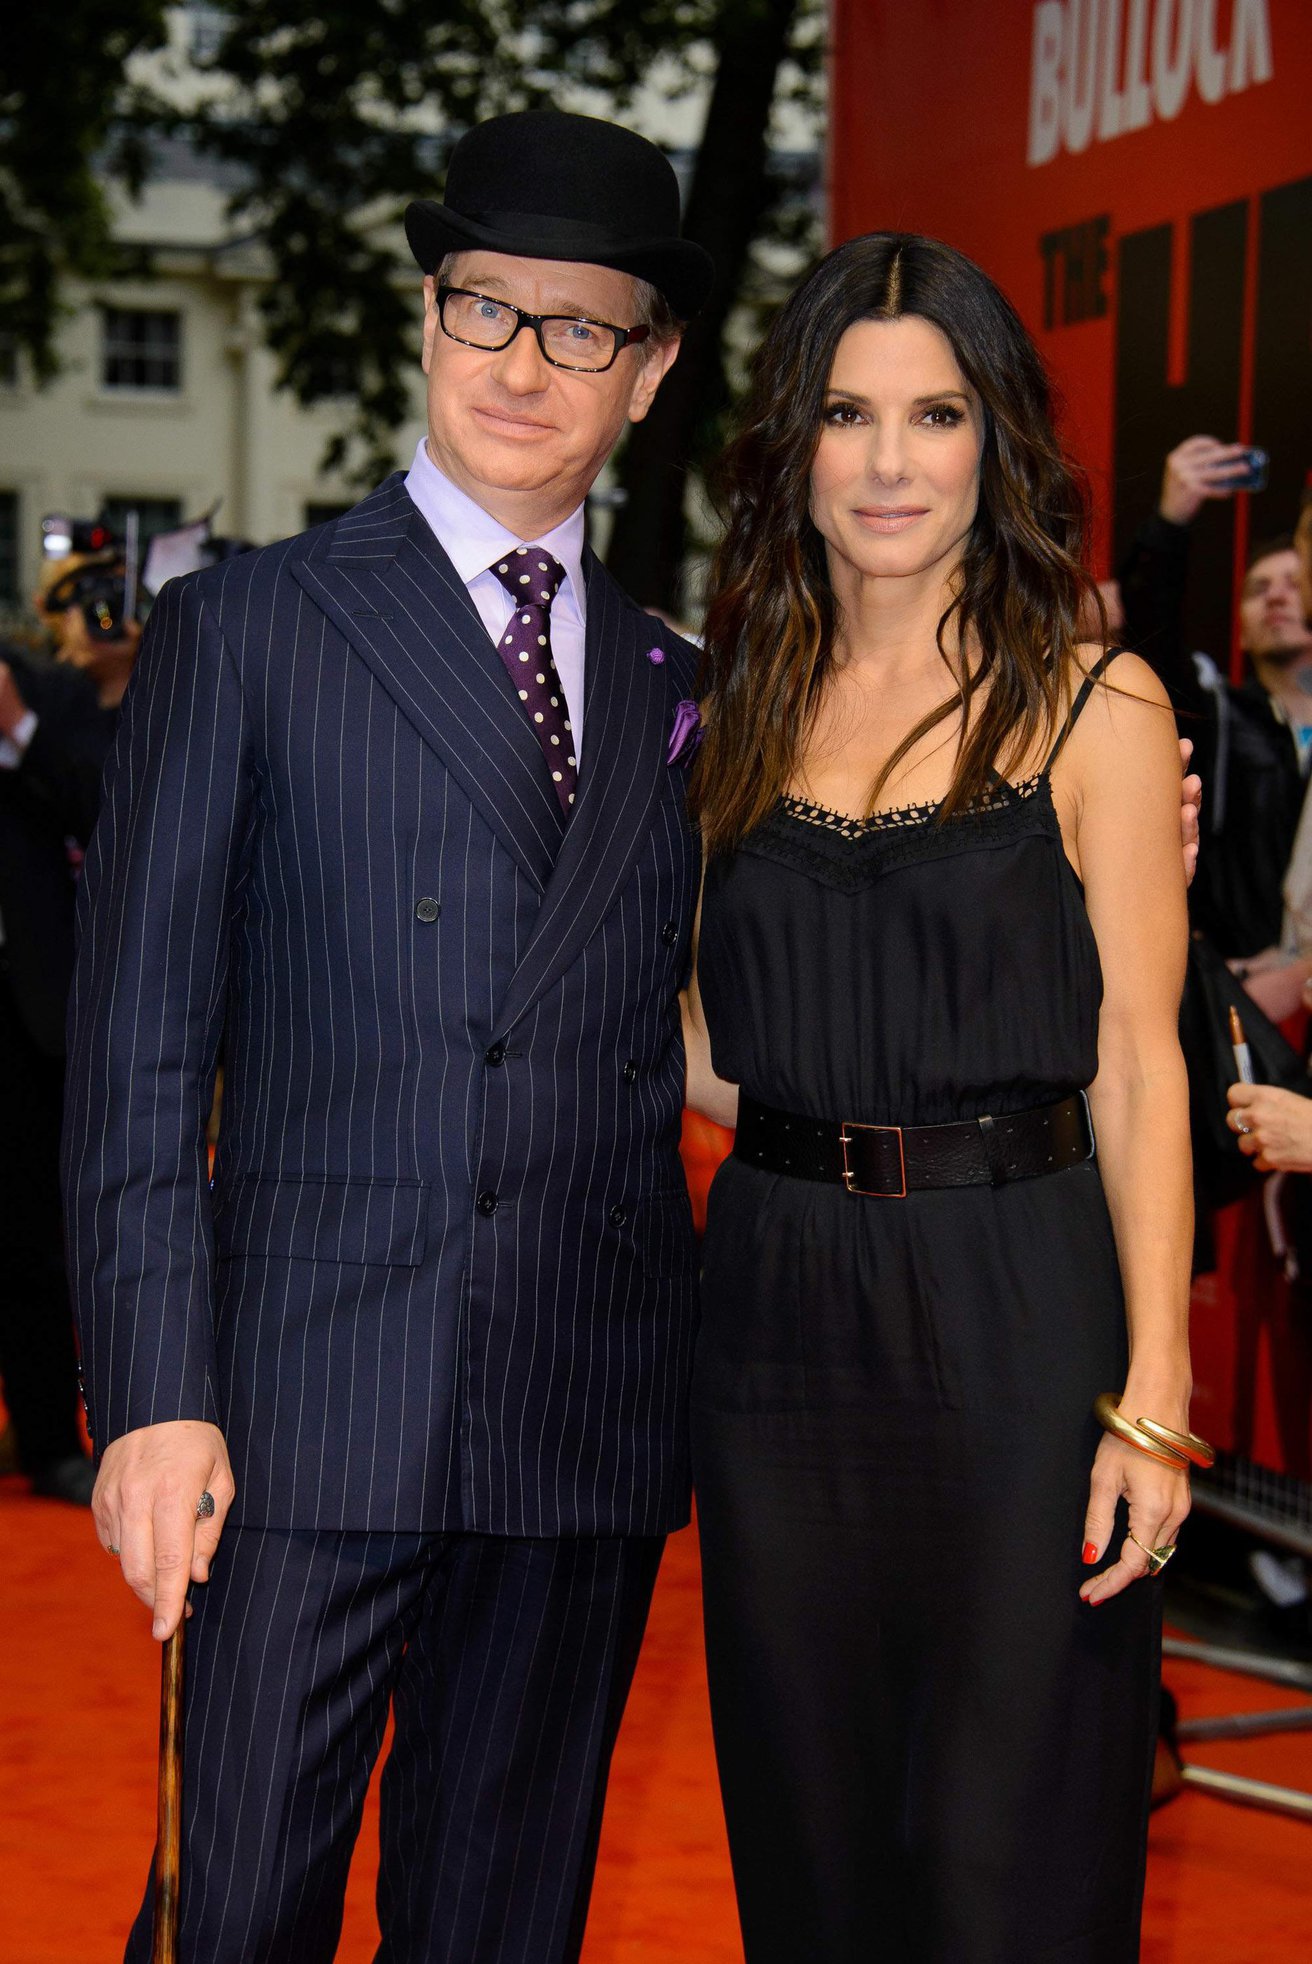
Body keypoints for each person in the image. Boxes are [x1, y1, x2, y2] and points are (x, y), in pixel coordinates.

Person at [63, 109, 713, 1963]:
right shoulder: (248, 627)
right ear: (426, 318)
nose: (521, 361)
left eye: (579, 326)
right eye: (482, 307)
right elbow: (134, 1051)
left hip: (574, 1413)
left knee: (501, 1919)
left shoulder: (684, 683)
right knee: (233, 1910)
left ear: (649, 368)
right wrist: (153, 1386)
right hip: (294, 1410)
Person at [681, 234, 1202, 1961]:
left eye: (934, 412)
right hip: (773, 1327)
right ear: (793, 445)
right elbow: (703, 1039)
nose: (889, 459)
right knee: (809, 1837)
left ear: (996, 444)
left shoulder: (1091, 702)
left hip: (1015, 1313)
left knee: (1006, 1854)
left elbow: (1138, 1058)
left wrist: (1152, 1392)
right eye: (846, 412)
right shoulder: (728, 709)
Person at [1119, 437, 1312, 1010]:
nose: (1277, 597)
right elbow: (1149, 628)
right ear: (1242, 630)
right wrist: (1171, 520)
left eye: (1294, 584)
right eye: (1258, 590)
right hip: (1241, 1002)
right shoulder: (1221, 721)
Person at [0, 615, 118, 1505]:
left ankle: (50, 1441)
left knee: (37, 1245)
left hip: (29, 1017)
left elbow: (105, 808)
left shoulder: (52, 693)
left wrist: (17, 729)